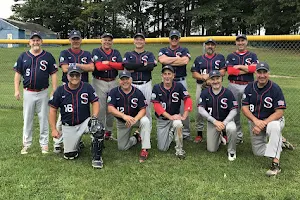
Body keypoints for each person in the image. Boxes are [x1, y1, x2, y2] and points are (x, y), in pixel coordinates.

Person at [49, 65, 104, 169]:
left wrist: (94, 117)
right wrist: (53, 129)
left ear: (81, 75)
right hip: (69, 126)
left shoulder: (87, 87)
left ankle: (97, 158)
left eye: (77, 75)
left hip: (84, 122)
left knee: (98, 127)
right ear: (67, 76)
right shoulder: (60, 90)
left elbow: (95, 102)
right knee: (70, 155)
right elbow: (52, 110)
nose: (74, 77)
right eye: (72, 74)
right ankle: (76, 144)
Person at [14, 32, 58, 154]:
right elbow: (18, 74)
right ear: (29, 43)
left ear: (41, 42)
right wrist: (17, 90)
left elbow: (53, 73)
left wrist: (54, 89)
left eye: (38, 40)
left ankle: (44, 144)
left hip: (43, 92)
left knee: (43, 118)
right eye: (33, 40)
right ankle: (26, 144)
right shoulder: (23, 56)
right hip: (28, 92)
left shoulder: (47, 56)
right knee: (27, 119)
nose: (35, 42)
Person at [242, 62, 287, 176]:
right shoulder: (249, 87)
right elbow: (244, 108)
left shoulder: (275, 88)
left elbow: (280, 112)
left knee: (274, 127)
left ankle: (275, 165)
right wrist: (256, 121)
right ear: (255, 73)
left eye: (265, 72)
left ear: (269, 73)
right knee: (258, 152)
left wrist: (264, 123)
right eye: (259, 72)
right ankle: (279, 142)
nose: (262, 75)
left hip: (273, 120)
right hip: (255, 121)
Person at [54, 30, 94, 153]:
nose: (75, 41)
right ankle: (57, 142)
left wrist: (75, 65)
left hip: (83, 87)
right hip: (68, 86)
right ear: (70, 40)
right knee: (64, 115)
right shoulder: (64, 52)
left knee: (82, 114)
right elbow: (65, 69)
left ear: (81, 40)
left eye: (77, 39)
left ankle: (78, 139)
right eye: (73, 39)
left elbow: (91, 67)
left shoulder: (86, 53)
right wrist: (82, 66)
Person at [107, 71, 151, 163]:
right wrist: (124, 116)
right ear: (119, 81)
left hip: (136, 120)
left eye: (127, 79)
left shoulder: (137, 92)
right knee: (122, 147)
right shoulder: (114, 92)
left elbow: (143, 109)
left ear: (131, 80)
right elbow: (110, 108)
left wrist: (134, 119)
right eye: (123, 79)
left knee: (145, 121)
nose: (125, 81)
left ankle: (145, 149)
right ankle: (136, 138)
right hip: (122, 122)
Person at [151, 66, 193, 159]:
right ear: (162, 75)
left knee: (178, 124)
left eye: (169, 74)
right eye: (165, 74)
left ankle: (179, 150)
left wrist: (184, 115)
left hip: (175, 118)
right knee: (162, 148)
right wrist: (170, 117)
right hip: (162, 120)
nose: (167, 76)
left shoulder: (178, 86)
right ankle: (172, 131)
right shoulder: (157, 87)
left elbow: (188, 100)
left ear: (173, 75)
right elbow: (157, 106)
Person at [158, 30, 192, 140]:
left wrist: (169, 61)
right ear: (169, 39)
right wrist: (177, 59)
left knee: (183, 106)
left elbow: (185, 61)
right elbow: (162, 59)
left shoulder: (184, 49)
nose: (174, 40)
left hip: (180, 80)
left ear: (179, 39)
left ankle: (185, 132)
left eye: (176, 38)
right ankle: (169, 128)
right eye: (172, 37)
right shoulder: (163, 49)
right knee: (167, 104)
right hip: (167, 80)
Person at [191, 38, 226, 143]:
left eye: (212, 44)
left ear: (215, 46)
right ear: (205, 46)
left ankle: (223, 131)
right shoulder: (199, 59)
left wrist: (211, 79)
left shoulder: (220, 57)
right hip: (201, 86)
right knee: (199, 109)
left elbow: (223, 71)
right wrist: (203, 78)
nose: (210, 46)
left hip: (216, 86)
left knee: (220, 108)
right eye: (208, 44)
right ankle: (199, 133)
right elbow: (194, 73)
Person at [198, 70, 238, 161]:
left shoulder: (228, 92)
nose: (215, 81)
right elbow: (200, 109)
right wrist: (214, 121)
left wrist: (224, 123)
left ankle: (231, 151)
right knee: (211, 149)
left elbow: (234, 110)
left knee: (232, 128)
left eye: (218, 78)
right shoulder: (205, 92)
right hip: (213, 122)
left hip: (227, 121)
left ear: (222, 79)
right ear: (209, 81)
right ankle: (219, 138)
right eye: (213, 79)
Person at [226, 34, 258, 144]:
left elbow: (255, 68)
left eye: (242, 40)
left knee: (251, 110)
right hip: (233, 85)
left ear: (246, 42)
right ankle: (238, 136)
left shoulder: (252, 55)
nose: (240, 43)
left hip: (248, 86)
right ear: (236, 43)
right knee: (235, 111)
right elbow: (230, 71)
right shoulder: (231, 56)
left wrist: (239, 66)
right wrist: (247, 69)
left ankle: (255, 135)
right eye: (238, 41)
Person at [92, 33, 124, 140]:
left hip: (113, 81)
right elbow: (99, 67)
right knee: (100, 109)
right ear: (101, 41)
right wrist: (113, 64)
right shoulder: (96, 51)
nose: (107, 42)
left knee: (111, 108)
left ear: (112, 42)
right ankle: (99, 132)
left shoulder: (116, 52)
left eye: (109, 40)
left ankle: (108, 132)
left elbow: (121, 66)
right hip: (99, 81)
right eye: (105, 40)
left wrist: (109, 63)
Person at [123, 33, 156, 131]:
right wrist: (143, 64)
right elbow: (127, 66)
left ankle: (146, 133)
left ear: (144, 42)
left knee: (147, 109)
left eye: (141, 39)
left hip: (146, 84)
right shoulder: (128, 54)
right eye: (137, 39)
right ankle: (131, 131)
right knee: (130, 109)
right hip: (132, 85)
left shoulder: (149, 54)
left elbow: (150, 67)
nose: (139, 41)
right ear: (134, 41)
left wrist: (135, 66)